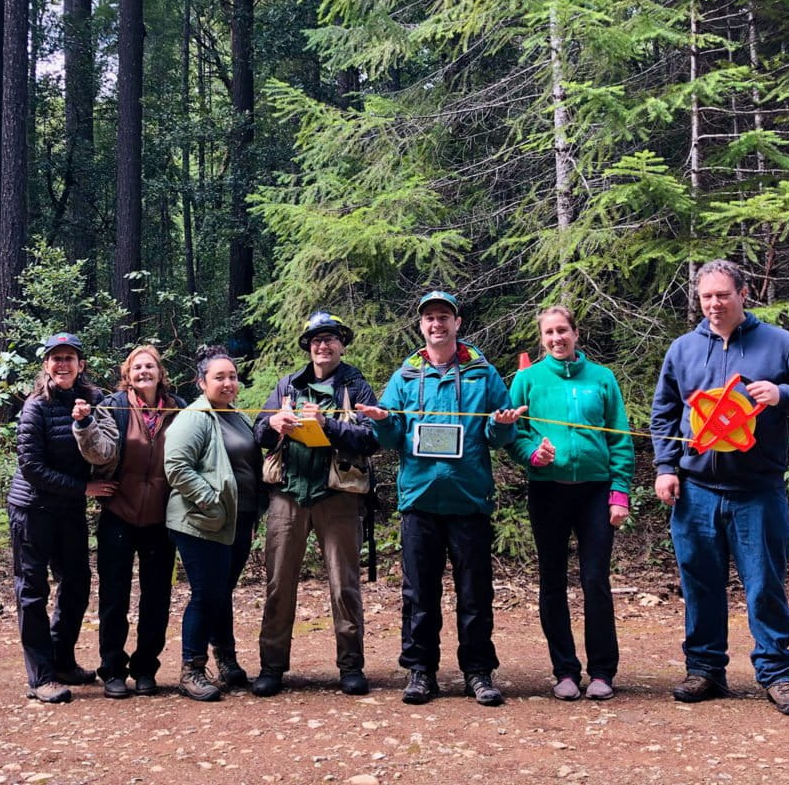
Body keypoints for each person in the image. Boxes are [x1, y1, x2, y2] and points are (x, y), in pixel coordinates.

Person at [651, 260, 789, 717]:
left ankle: (776, 673)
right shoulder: (684, 349)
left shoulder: (780, 343)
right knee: (700, 583)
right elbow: (665, 414)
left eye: (722, 295)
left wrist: (782, 394)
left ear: (743, 294)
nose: (714, 304)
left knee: (764, 583)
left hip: (757, 490)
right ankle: (705, 669)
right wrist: (665, 468)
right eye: (706, 296)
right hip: (696, 489)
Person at [357, 291, 526, 706]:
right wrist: (381, 423)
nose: (437, 324)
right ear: (421, 326)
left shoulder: (482, 374)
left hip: (469, 499)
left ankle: (478, 672)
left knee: (475, 592)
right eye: (430, 318)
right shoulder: (405, 377)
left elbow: (500, 435)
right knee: (419, 593)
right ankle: (420, 671)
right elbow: (394, 437)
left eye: (444, 317)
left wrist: (503, 425)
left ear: (457, 323)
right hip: (419, 499)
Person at [250, 311, 380, 697]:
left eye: (331, 339)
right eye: (316, 340)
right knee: (278, 585)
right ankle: (272, 667)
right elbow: (258, 431)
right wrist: (274, 424)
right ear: (308, 346)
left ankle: (351, 667)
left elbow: (373, 438)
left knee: (344, 586)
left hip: (337, 497)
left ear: (342, 344)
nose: (323, 346)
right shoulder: (288, 385)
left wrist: (328, 426)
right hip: (287, 496)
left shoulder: (356, 387)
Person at [508, 306, 635, 701]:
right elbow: (514, 431)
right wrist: (533, 454)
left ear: (575, 334)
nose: (556, 338)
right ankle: (564, 671)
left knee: (595, 579)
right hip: (547, 491)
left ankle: (602, 671)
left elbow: (620, 439)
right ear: (541, 338)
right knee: (552, 581)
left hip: (595, 492)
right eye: (549, 333)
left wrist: (620, 494)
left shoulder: (602, 378)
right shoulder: (527, 379)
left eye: (562, 330)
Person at [6, 332, 118, 703]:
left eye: (69, 358)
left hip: (68, 509)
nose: (63, 364)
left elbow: (108, 442)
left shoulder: (96, 399)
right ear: (46, 366)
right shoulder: (35, 406)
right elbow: (32, 466)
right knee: (32, 591)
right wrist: (83, 489)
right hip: (32, 509)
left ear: (80, 364)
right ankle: (40, 677)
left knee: (76, 583)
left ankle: (62, 659)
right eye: (56, 359)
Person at [80, 345, 187, 699]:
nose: (144, 372)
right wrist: (84, 425)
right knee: (115, 598)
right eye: (137, 367)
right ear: (128, 374)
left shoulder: (179, 408)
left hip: (161, 518)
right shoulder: (113, 407)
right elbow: (100, 450)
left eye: (150, 366)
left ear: (160, 372)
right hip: (118, 515)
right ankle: (112, 670)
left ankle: (145, 668)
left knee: (156, 598)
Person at [163, 345, 263, 701]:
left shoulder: (235, 415)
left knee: (222, 593)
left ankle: (227, 661)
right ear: (202, 381)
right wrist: (211, 502)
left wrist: (249, 516)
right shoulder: (195, 417)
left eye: (232, 376)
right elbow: (176, 467)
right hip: (200, 522)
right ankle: (191, 669)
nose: (228, 382)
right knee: (206, 594)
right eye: (219, 377)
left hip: (237, 521)